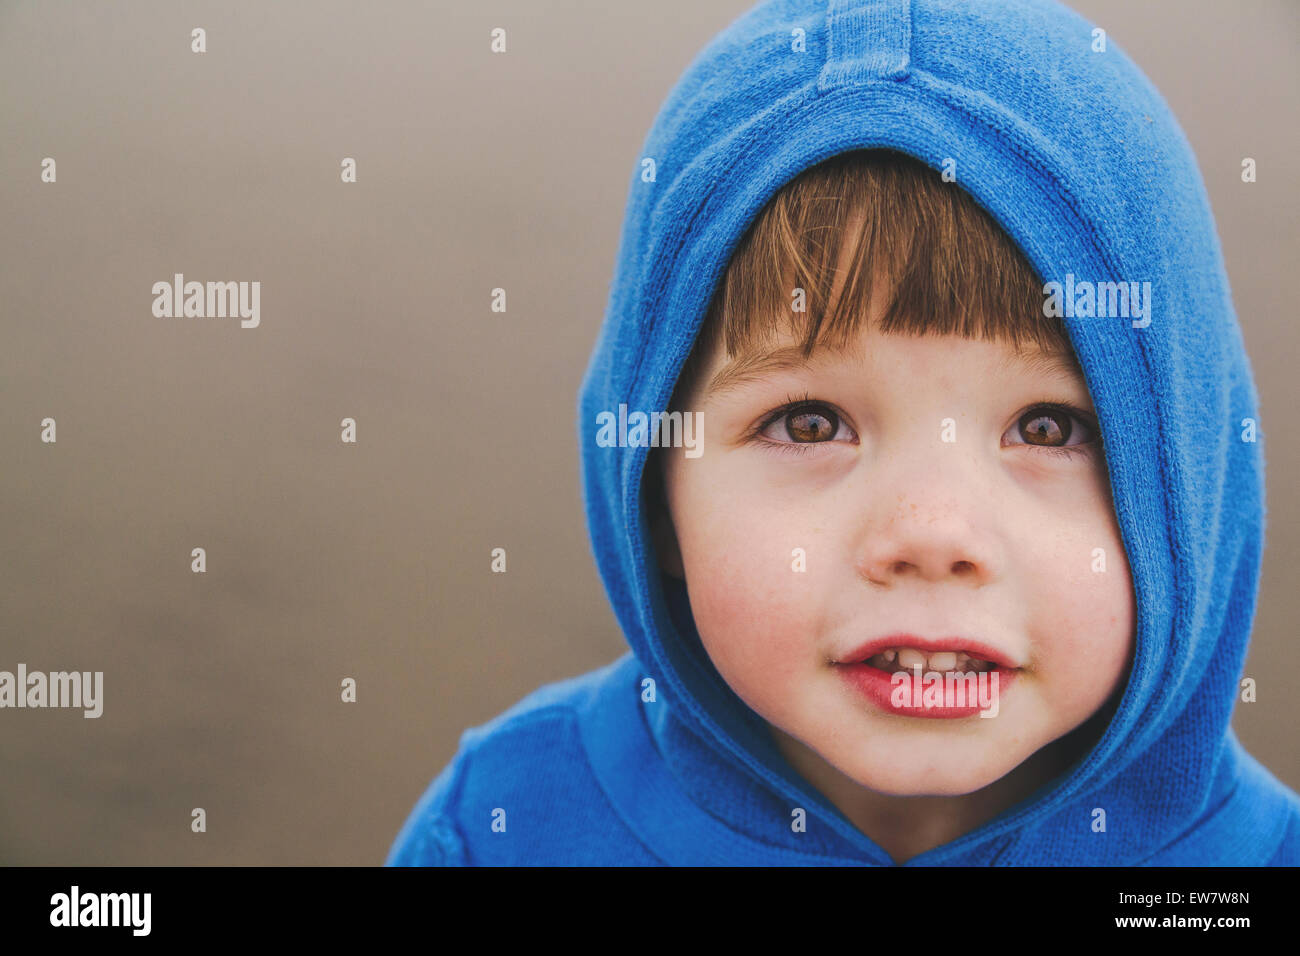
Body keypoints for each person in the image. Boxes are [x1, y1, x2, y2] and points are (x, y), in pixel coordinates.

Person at [386, 0, 1300, 865]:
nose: (931, 535)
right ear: (655, 498)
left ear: (1191, 498)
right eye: (810, 422)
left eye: (1047, 426)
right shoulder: (504, 829)